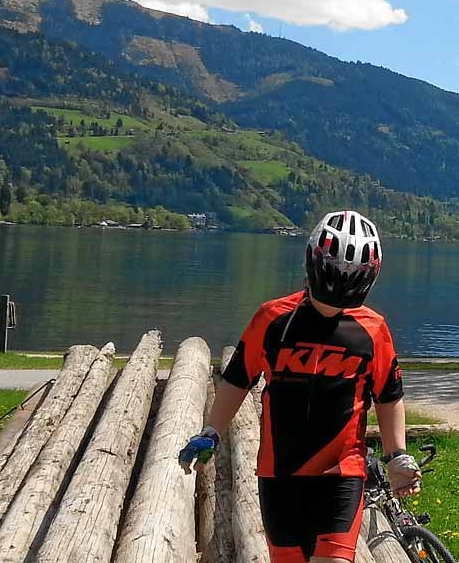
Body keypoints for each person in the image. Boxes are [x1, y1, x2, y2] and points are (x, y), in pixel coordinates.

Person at [178, 210, 418, 563]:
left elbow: (388, 395)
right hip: (281, 477)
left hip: (342, 474)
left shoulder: (373, 330)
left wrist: (397, 454)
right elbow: (237, 378)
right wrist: (211, 431)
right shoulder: (273, 318)